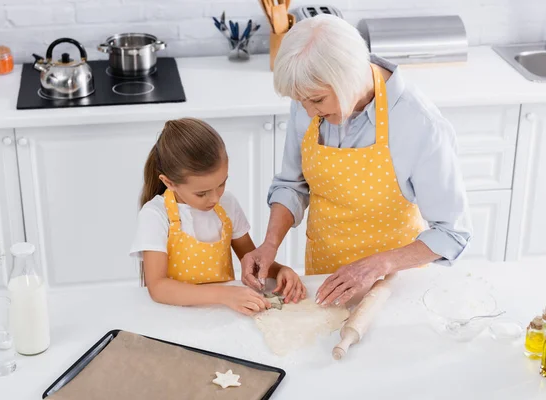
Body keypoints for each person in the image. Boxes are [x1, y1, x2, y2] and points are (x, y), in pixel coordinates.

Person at [241, 15, 472, 307]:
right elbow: (292, 184)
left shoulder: (419, 124)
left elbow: (452, 232)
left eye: (317, 101)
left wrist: (377, 266)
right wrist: (270, 244)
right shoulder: (311, 95)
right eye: (302, 102)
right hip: (323, 279)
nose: (310, 113)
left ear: (347, 80)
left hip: (393, 287)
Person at [130, 118, 306, 315]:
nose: (215, 198)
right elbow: (158, 288)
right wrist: (225, 295)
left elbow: (251, 259)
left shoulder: (227, 204)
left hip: (222, 314)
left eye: (222, 184)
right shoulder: (156, 215)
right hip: (175, 316)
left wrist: (280, 270)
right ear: (169, 182)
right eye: (202, 193)